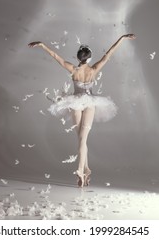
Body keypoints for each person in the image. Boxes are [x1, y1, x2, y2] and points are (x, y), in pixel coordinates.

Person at [28, 33, 136, 187]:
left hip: (76, 103)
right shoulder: (94, 69)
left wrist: (41, 44)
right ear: (89, 58)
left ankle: (81, 170)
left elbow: (55, 56)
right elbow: (109, 53)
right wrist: (123, 38)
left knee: (80, 138)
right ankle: (85, 170)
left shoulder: (73, 69)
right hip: (90, 103)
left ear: (78, 57)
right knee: (83, 139)